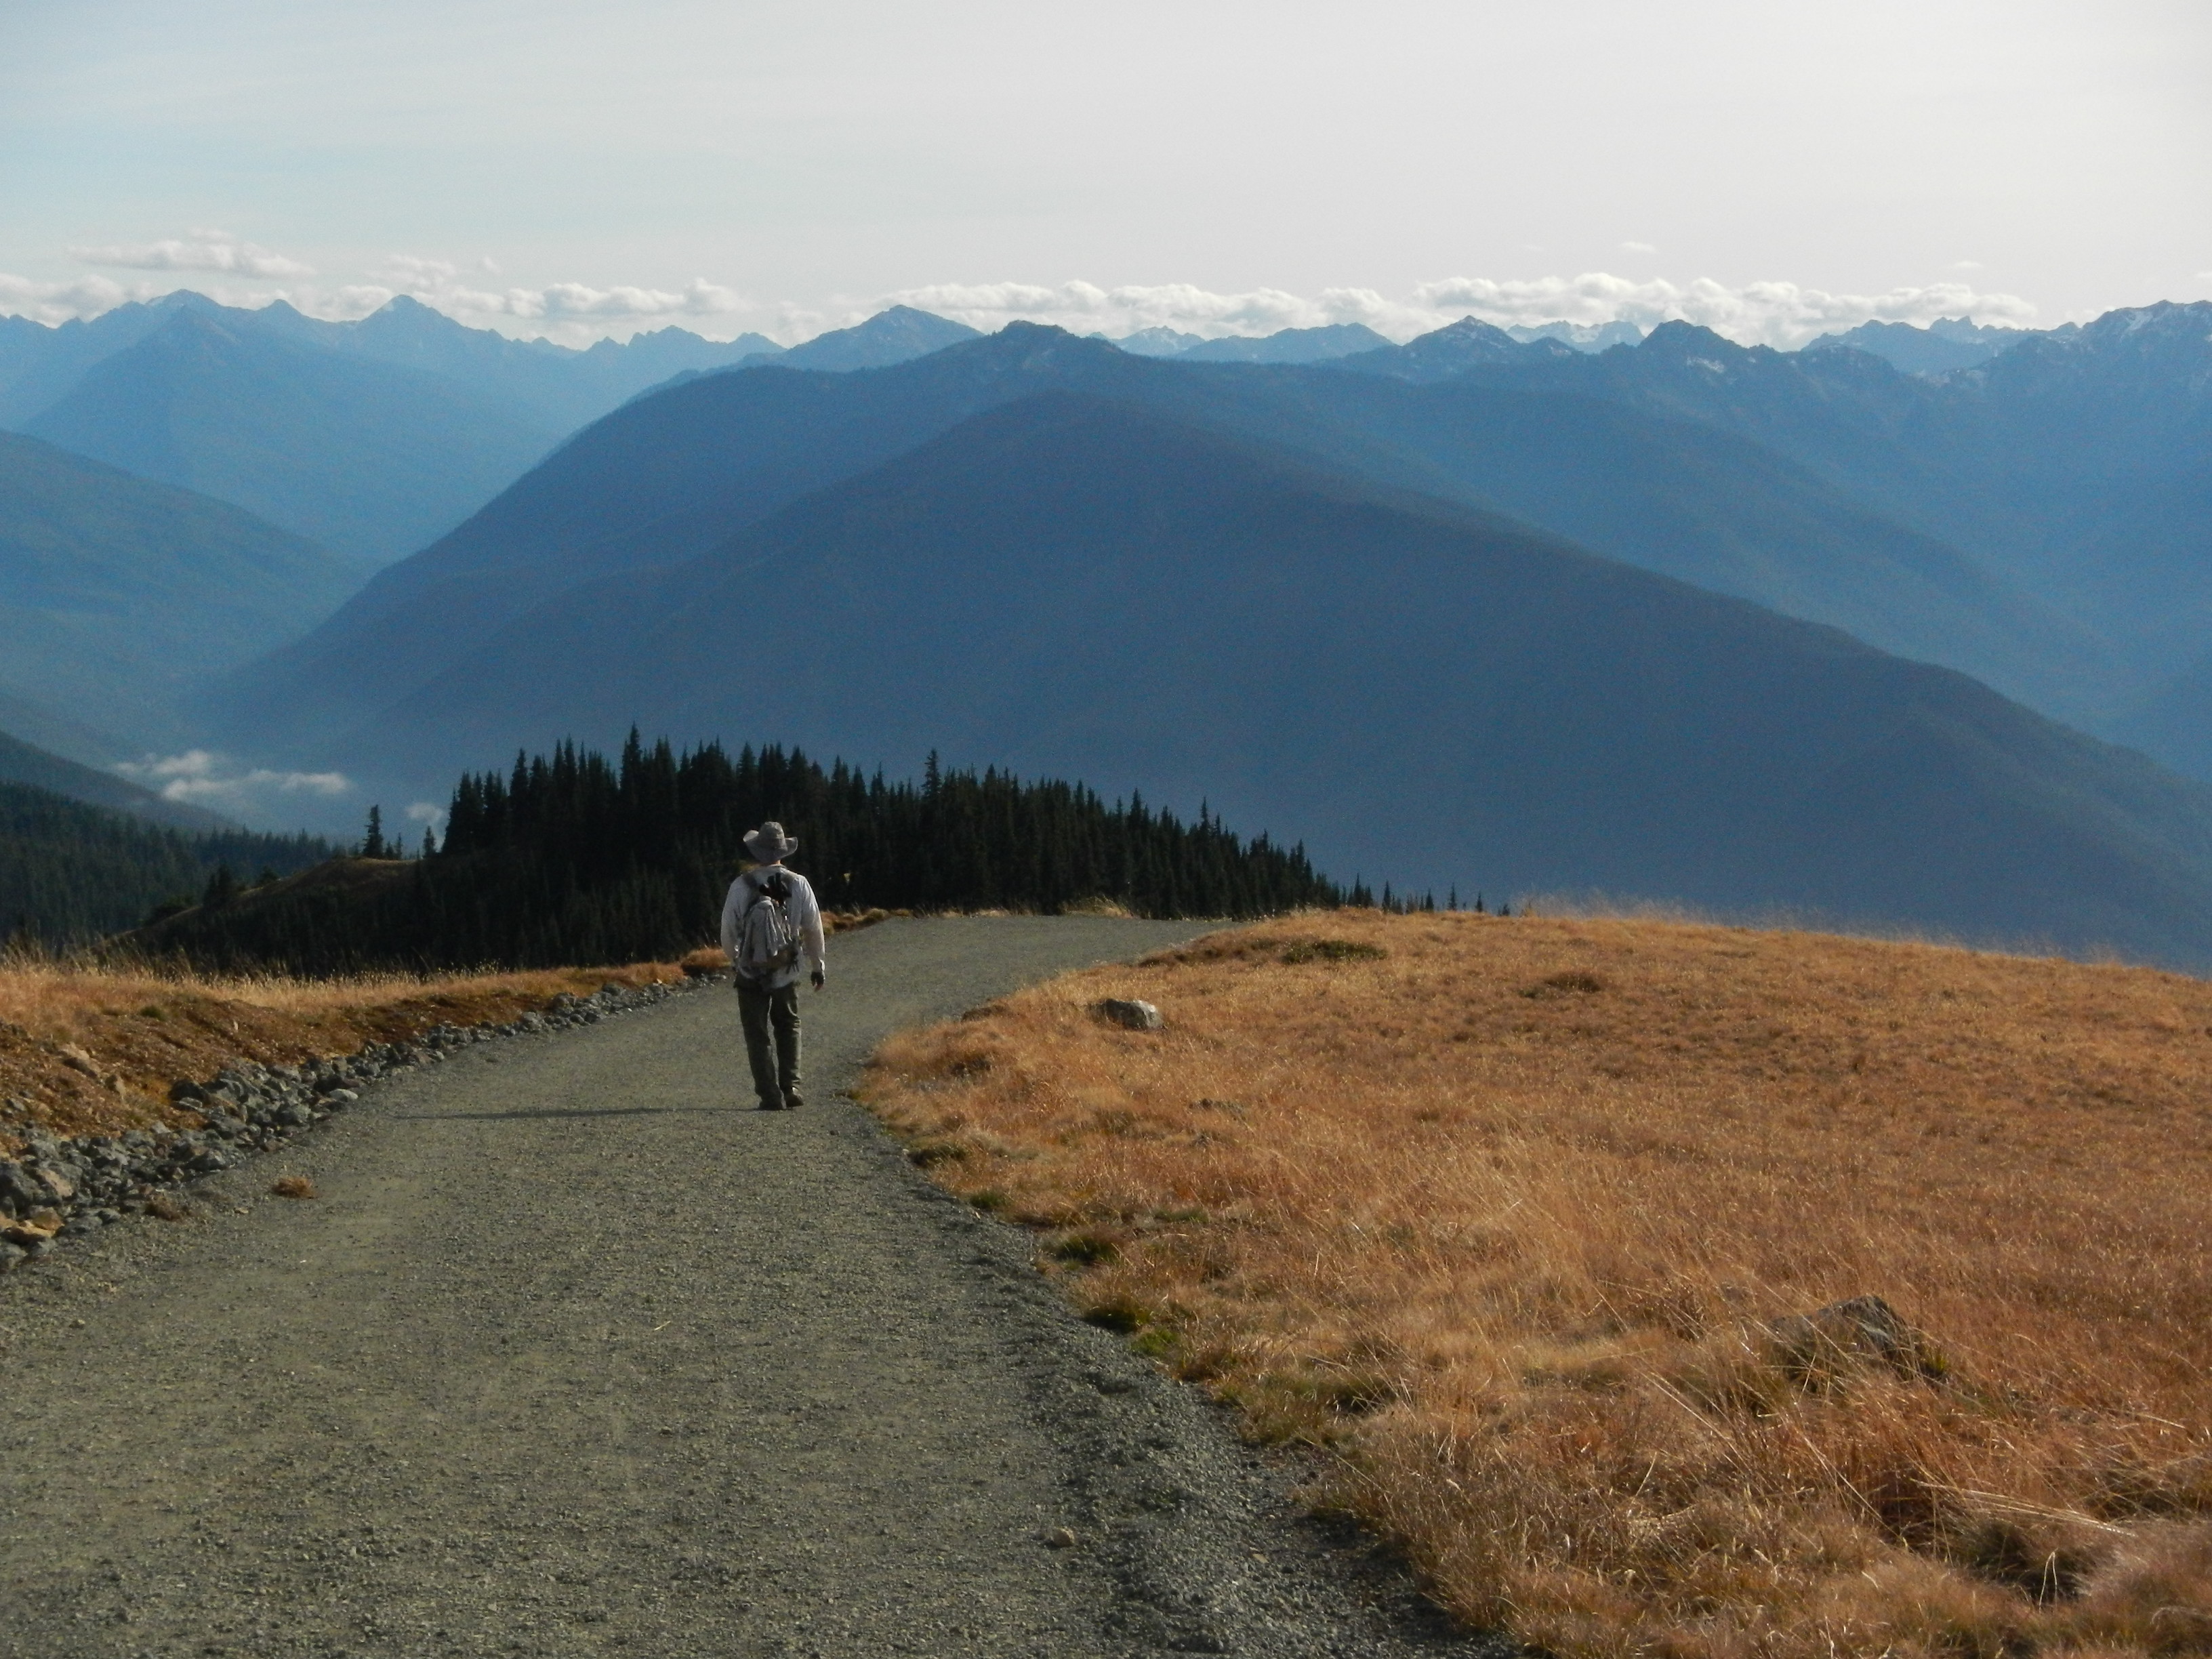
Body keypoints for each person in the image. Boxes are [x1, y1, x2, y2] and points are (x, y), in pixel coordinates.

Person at [718, 821, 827, 1111]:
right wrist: (818, 965)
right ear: (783, 851)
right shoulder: (798, 883)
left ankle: (769, 1095)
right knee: (788, 1024)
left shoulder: (741, 885)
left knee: (757, 1033)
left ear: (756, 852)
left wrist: (735, 959)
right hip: (787, 969)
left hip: (750, 970)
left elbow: (728, 931)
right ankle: (791, 1085)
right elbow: (813, 928)